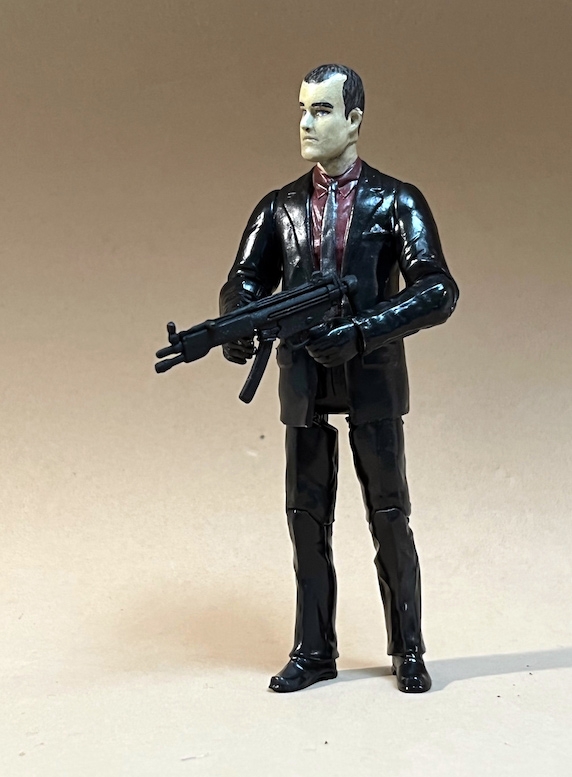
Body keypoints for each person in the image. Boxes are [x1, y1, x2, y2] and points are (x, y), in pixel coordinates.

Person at [219, 64, 459, 694]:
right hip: (304, 382)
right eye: (302, 109)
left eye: (321, 110)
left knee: (390, 516)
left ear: (354, 119)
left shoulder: (397, 200)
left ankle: (409, 646)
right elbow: (244, 279)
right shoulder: (280, 206)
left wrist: (360, 331)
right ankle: (313, 649)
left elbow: (437, 290)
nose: (306, 122)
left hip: (373, 379)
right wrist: (238, 320)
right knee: (306, 519)